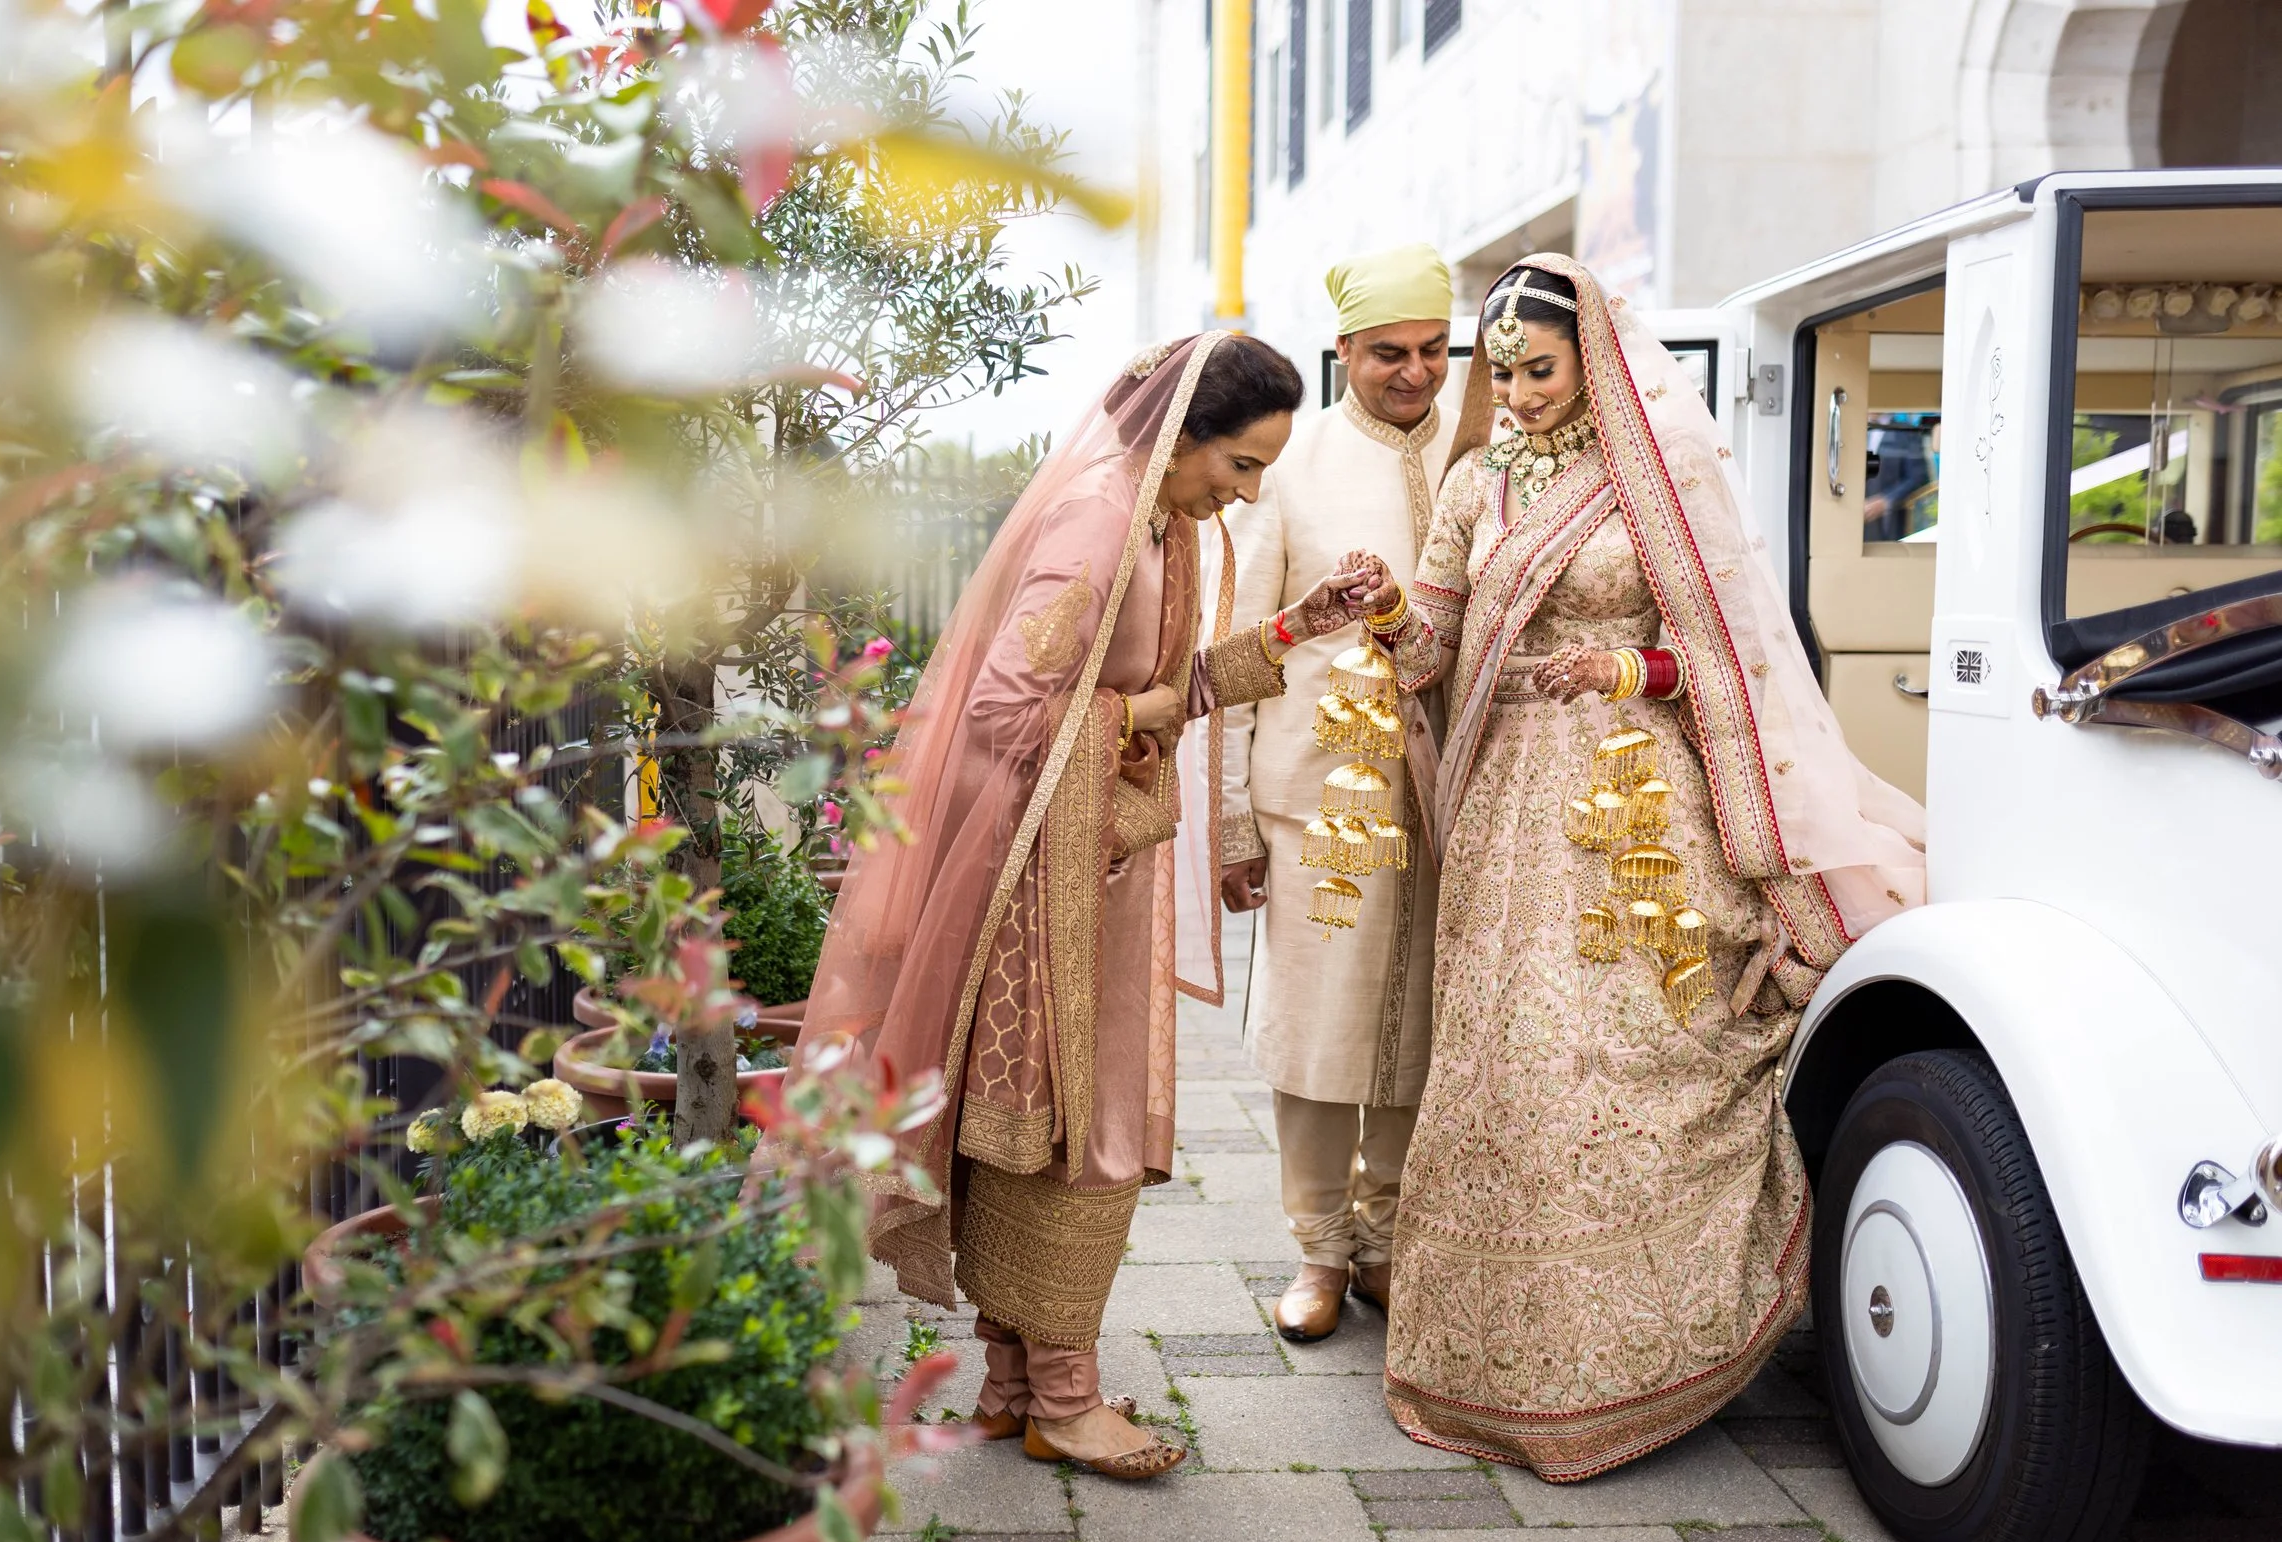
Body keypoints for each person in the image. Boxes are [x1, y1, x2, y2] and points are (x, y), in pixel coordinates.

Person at [1362, 256, 1927, 1480]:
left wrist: (1626, 672)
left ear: (1595, 360)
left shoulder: (1659, 479)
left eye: (1536, 369)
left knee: (1628, 1043)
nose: (1511, 393)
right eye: (1499, 370)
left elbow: (1725, 651)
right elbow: (1430, 651)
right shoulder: (1477, 484)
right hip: (1509, 802)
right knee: (1507, 1062)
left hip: (1635, 800)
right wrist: (1380, 614)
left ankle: (1642, 1350)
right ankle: (1487, 1361)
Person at [801, 333, 1390, 1480]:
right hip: (1041, 883)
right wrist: (1147, 711)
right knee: (1080, 1129)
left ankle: (1017, 1382)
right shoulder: (1098, 522)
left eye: (1263, 470)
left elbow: (1153, 695)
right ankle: (1065, 1398)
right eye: (1239, 464)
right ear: (1180, 435)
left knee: (1056, 1116)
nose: (1248, 491)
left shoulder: (1161, 520)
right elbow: (1005, 714)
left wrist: (1294, 626)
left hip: (1082, 865)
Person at [1218, 245, 1454, 1344]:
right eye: (1389, 352)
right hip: (1319, 792)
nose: (1414, 372)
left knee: (1422, 1021)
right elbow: (1238, 649)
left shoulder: (1484, 455)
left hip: (1450, 792)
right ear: (1344, 352)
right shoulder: (1294, 462)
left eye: (1432, 349)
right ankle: (1316, 1250)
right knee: (1319, 1029)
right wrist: (1230, 817)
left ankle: (1390, 1243)